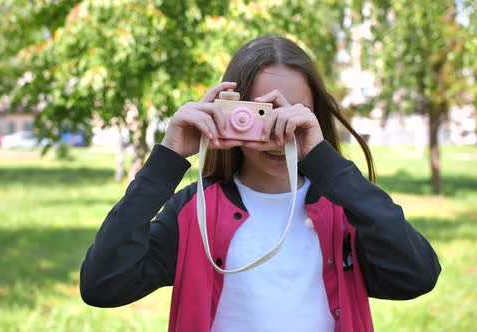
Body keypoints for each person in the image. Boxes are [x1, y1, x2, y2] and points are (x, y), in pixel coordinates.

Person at [79, 36, 441, 332]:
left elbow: (416, 276)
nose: (276, 133)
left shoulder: (344, 208)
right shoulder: (197, 212)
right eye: (257, 114)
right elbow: (103, 285)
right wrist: (166, 162)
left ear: (315, 118)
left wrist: (325, 163)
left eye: (292, 115)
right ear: (227, 112)